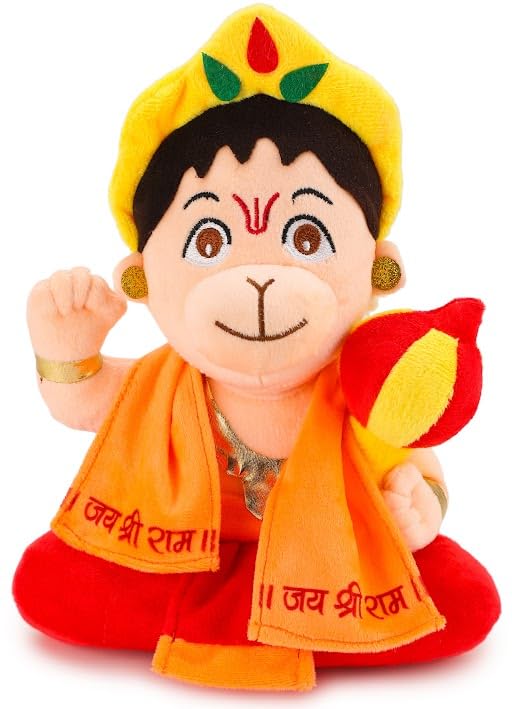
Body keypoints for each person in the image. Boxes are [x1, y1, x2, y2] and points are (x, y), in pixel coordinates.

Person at [13, 5, 500, 691]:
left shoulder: (363, 380)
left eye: (306, 237)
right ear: (141, 277)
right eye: (210, 240)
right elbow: (84, 399)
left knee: (464, 598)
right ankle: (312, 628)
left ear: (379, 270)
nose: (261, 279)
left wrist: (424, 505)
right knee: (47, 581)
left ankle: (238, 617)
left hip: (324, 553)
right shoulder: (160, 386)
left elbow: (413, 455)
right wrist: (66, 349)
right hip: (186, 548)